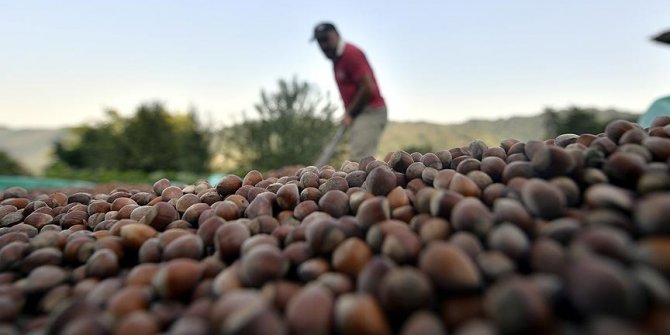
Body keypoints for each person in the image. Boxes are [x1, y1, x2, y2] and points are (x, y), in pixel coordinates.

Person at [312, 22, 388, 162]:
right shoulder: (337, 60)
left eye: (325, 39)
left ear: (337, 35)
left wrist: (350, 113)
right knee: (356, 157)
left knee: (360, 159)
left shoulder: (350, 54)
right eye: (319, 41)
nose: (323, 45)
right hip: (358, 113)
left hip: (370, 111)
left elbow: (367, 88)